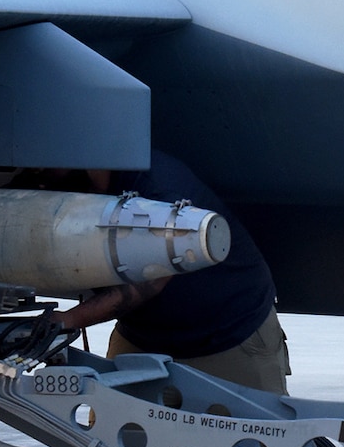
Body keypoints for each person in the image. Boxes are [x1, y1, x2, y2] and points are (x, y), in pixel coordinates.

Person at [52, 150, 289, 394]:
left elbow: (150, 282)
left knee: (262, 431)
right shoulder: (65, 185)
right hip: (144, 337)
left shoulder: (158, 190)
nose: (38, 172)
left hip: (230, 336)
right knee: (105, 431)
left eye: (47, 162)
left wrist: (69, 320)